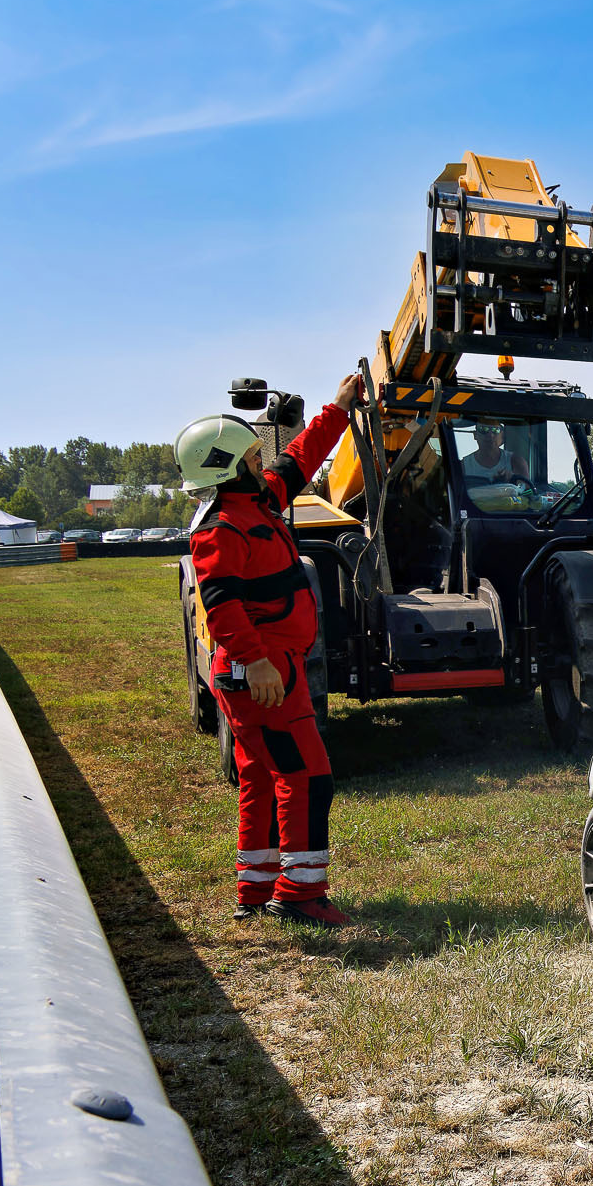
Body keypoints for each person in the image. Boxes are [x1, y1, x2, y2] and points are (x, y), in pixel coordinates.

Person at [176, 375, 362, 926]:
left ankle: (255, 888)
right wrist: (257, 661)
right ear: (227, 468)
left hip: (263, 671)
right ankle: (300, 893)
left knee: (259, 777)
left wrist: (338, 409)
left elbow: (299, 459)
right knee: (307, 776)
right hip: (264, 674)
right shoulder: (221, 528)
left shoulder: (256, 501)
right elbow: (222, 605)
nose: (264, 462)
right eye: (253, 457)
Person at [461, 422, 529, 484]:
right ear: (475, 435)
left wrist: (514, 479)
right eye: (483, 429)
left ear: (502, 436)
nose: (490, 435)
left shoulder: (516, 462)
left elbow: (529, 491)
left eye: (496, 430)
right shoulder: (463, 465)